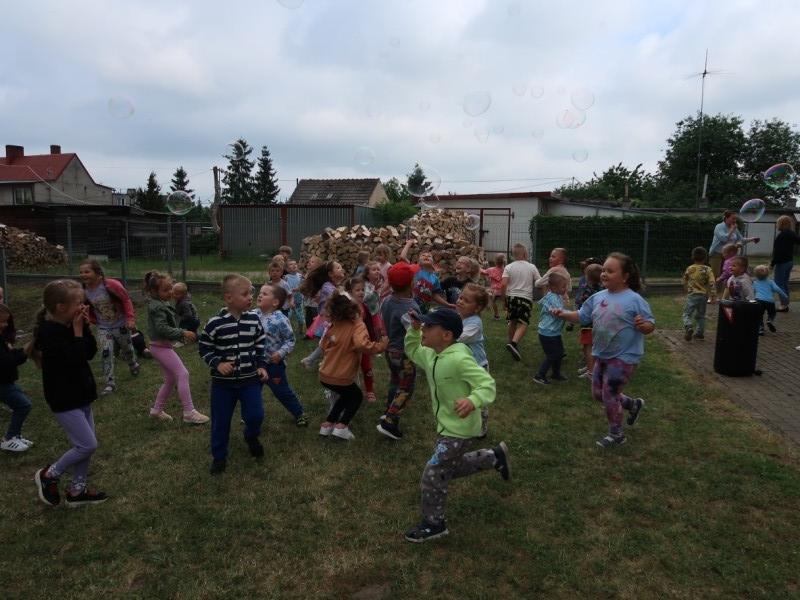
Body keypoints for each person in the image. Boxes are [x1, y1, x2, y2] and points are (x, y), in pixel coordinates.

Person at [402, 308, 510, 543]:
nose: (424, 329)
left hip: (460, 429)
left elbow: (487, 384)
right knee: (449, 467)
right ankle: (493, 457)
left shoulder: (459, 359)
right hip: (446, 426)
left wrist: (473, 400)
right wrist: (413, 331)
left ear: (446, 335)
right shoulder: (431, 354)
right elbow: (412, 350)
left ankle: (434, 524)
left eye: (429, 327)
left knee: (433, 474)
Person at [552, 253, 654, 448]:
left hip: (624, 356)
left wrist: (644, 326)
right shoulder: (597, 297)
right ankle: (633, 404)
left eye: (610, 271)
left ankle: (617, 434)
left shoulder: (635, 300)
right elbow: (581, 316)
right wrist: (563, 314)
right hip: (602, 354)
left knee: (609, 394)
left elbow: (650, 324)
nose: (604, 274)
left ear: (625, 277)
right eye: (604, 270)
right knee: (598, 393)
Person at [29, 279, 108, 507]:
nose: (83, 307)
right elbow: (74, 359)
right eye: (79, 303)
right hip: (64, 399)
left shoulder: (70, 325)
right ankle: (49, 474)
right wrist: (78, 331)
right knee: (87, 445)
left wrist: (84, 329)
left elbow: (88, 352)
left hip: (81, 394)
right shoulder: (49, 333)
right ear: (61, 307)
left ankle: (77, 491)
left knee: (85, 446)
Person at [199, 275, 268, 475]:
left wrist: (262, 366)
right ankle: (219, 456)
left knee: (255, 415)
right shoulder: (215, 323)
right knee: (220, 421)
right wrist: (217, 363)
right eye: (245, 294)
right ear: (229, 298)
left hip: (250, 380)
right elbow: (204, 347)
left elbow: (260, 344)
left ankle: (251, 436)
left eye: (251, 293)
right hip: (223, 385)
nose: (250, 297)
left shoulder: (254, 320)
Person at [318, 292, 388, 441]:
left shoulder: (335, 324)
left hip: (324, 374)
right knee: (356, 396)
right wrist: (381, 345)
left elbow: (323, 345)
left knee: (346, 395)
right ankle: (342, 427)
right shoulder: (357, 324)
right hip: (342, 376)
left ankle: (328, 424)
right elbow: (361, 344)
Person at [144, 271, 209, 424]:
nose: (170, 292)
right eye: (165, 290)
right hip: (160, 348)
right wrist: (182, 332)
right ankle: (189, 412)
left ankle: (156, 410)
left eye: (171, 288)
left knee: (170, 379)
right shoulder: (158, 307)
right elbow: (161, 328)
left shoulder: (161, 303)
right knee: (182, 374)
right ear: (154, 291)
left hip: (161, 346)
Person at [78, 259, 140, 395]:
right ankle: (110, 383)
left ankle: (133, 363)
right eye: (81, 272)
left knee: (127, 349)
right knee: (106, 353)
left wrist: (130, 318)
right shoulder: (83, 291)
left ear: (97, 272)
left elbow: (126, 299)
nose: (83, 275)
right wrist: (88, 318)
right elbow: (83, 306)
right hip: (103, 327)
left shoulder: (111, 284)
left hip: (121, 325)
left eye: (87, 271)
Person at [255, 284, 308, 426]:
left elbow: (290, 340)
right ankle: (252, 413)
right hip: (255, 364)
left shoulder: (281, 319)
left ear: (275, 302)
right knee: (252, 391)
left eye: (265, 294)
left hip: (274, 365)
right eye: (260, 292)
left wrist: (281, 352)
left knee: (281, 391)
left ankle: (299, 413)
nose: (260, 295)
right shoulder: (252, 315)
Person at [377, 262, 419, 440]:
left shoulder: (386, 300)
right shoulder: (409, 308)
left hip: (390, 351)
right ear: (411, 284)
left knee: (395, 381)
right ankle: (390, 421)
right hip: (404, 354)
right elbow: (414, 331)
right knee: (406, 387)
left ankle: (388, 409)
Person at [456, 283, 491, 437]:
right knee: (464, 395)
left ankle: (481, 426)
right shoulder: (458, 317)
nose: (460, 301)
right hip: (463, 366)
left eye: (466, 300)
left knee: (479, 399)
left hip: (478, 368)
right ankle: (465, 421)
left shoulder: (475, 324)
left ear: (477, 308)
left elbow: (459, 338)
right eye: (460, 297)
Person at [0, 303, 33, 452]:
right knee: (23, 405)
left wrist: (19, 352)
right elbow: (6, 362)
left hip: (7, 381)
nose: (5, 325)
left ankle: (15, 436)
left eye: (6, 321)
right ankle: (10, 438)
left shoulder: (3, 339)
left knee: (21, 405)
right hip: (2, 383)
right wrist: (24, 352)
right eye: (2, 321)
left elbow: (9, 356)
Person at [501, 243, 541, 361]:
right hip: (525, 299)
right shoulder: (532, 267)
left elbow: (503, 284)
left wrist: (504, 300)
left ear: (513, 255)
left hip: (511, 297)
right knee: (523, 323)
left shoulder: (508, 267)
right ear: (525, 253)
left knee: (512, 321)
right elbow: (539, 282)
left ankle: (510, 342)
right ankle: (513, 344)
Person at [344, 277, 378, 403]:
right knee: (349, 368)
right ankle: (349, 388)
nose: (361, 292)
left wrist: (372, 341)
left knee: (367, 367)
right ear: (350, 292)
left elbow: (369, 325)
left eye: (363, 290)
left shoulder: (364, 307)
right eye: (357, 290)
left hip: (363, 342)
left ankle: (369, 390)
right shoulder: (347, 308)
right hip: (350, 344)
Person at [532, 272, 569, 385]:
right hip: (548, 333)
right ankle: (540, 375)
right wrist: (573, 316)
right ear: (553, 288)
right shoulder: (552, 298)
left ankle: (556, 373)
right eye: (563, 286)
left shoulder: (556, 296)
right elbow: (559, 313)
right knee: (553, 354)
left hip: (553, 332)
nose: (566, 288)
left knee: (559, 353)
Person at [399, 239, 454, 313]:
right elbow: (403, 257)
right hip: (408, 307)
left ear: (433, 262)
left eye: (429, 256)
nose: (426, 256)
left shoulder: (434, 278)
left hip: (423, 310)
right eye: (423, 255)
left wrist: (447, 304)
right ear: (418, 261)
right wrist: (409, 243)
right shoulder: (414, 268)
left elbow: (434, 295)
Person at [709, 210, 759, 282]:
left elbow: (741, 239)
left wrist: (752, 239)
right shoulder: (719, 227)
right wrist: (732, 230)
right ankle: (715, 289)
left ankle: (725, 288)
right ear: (726, 218)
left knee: (727, 274)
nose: (735, 220)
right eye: (733, 218)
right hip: (717, 254)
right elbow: (723, 239)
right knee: (716, 274)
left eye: (735, 219)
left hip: (729, 255)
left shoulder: (734, 228)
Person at [682, 247, 717, 341]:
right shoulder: (708, 269)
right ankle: (699, 333)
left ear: (693, 257)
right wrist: (713, 295)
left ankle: (688, 326)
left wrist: (685, 289)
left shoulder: (690, 268)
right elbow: (712, 282)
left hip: (692, 295)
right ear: (705, 258)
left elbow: (684, 280)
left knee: (686, 314)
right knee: (701, 315)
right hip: (703, 296)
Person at [575, 262, 603, 377]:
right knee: (594, 346)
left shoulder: (587, 290)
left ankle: (591, 372)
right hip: (598, 323)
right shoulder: (602, 289)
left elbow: (583, 304)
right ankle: (590, 365)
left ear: (588, 277)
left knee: (588, 346)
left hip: (588, 323)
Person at [771, 215, 800, 311]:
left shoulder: (782, 235)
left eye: (778, 223)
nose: (777, 224)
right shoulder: (791, 233)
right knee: (784, 283)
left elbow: (778, 252)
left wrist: (772, 264)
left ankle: (784, 305)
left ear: (781, 224)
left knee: (779, 284)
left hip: (782, 262)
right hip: (789, 262)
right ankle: (785, 303)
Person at [753, 265, 788, 335]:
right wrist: (785, 296)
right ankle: (770, 320)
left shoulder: (755, 283)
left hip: (759, 300)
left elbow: (751, 291)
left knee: (759, 315)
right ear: (768, 274)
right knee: (772, 313)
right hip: (770, 301)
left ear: (756, 275)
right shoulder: (770, 282)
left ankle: (760, 329)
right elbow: (777, 289)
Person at [481, 253, 507, 320]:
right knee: (506, 304)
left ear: (495, 261)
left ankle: (496, 315)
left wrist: (478, 268)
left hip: (495, 291)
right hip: (504, 290)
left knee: (493, 302)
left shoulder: (491, 269)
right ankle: (509, 317)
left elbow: (483, 272)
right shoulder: (506, 270)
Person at [302, 255, 323, 331]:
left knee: (315, 319)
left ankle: (315, 332)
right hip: (308, 301)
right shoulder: (308, 274)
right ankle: (309, 332)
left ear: (318, 266)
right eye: (309, 261)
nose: (309, 263)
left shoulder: (319, 276)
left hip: (315, 302)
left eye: (312, 262)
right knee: (308, 318)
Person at [284, 259, 305, 333]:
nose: (294, 265)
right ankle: (287, 330)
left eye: (295, 264)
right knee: (288, 316)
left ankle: (300, 330)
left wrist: (299, 288)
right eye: (291, 264)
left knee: (300, 317)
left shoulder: (300, 276)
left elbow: (303, 286)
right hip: (289, 301)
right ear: (287, 269)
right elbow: (284, 287)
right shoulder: (286, 277)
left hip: (298, 300)